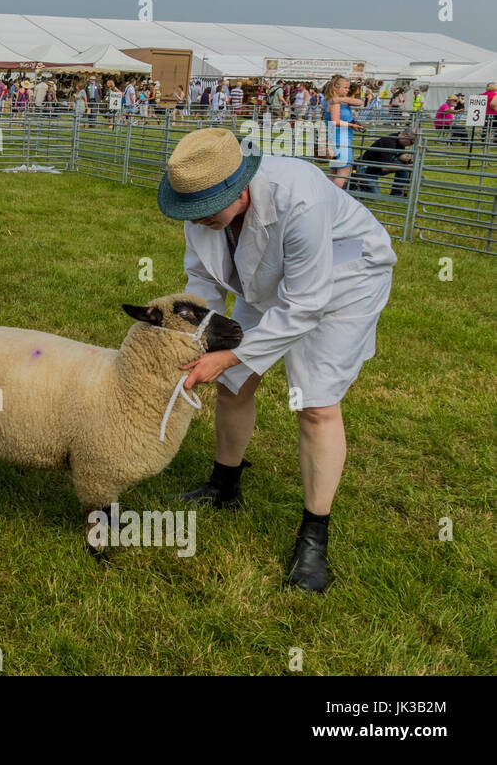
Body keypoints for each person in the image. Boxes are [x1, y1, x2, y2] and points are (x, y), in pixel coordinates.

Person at [159, 127, 396, 592]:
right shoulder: (201, 206)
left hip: (346, 277)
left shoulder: (300, 197)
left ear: (239, 187)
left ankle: (314, 535)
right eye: (192, 212)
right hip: (267, 276)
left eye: (208, 210)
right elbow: (203, 280)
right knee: (234, 385)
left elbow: (305, 303)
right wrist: (199, 342)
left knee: (315, 404)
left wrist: (228, 357)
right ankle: (224, 486)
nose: (198, 219)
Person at [321, 74, 364, 189]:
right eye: (345, 88)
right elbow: (335, 121)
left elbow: (360, 102)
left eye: (348, 88)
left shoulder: (333, 101)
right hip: (341, 139)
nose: (347, 90)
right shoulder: (335, 103)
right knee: (342, 173)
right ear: (335, 87)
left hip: (335, 138)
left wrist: (342, 98)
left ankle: (325, 198)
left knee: (333, 173)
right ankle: (332, 199)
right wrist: (351, 125)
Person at [354, 127, 416, 197]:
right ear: (406, 136)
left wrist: (410, 160)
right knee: (376, 197)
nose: (411, 145)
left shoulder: (397, 138)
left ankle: (397, 195)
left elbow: (400, 155)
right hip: (366, 171)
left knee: (403, 166)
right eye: (411, 142)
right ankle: (357, 187)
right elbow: (385, 168)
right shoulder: (389, 142)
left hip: (376, 169)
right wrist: (407, 167)